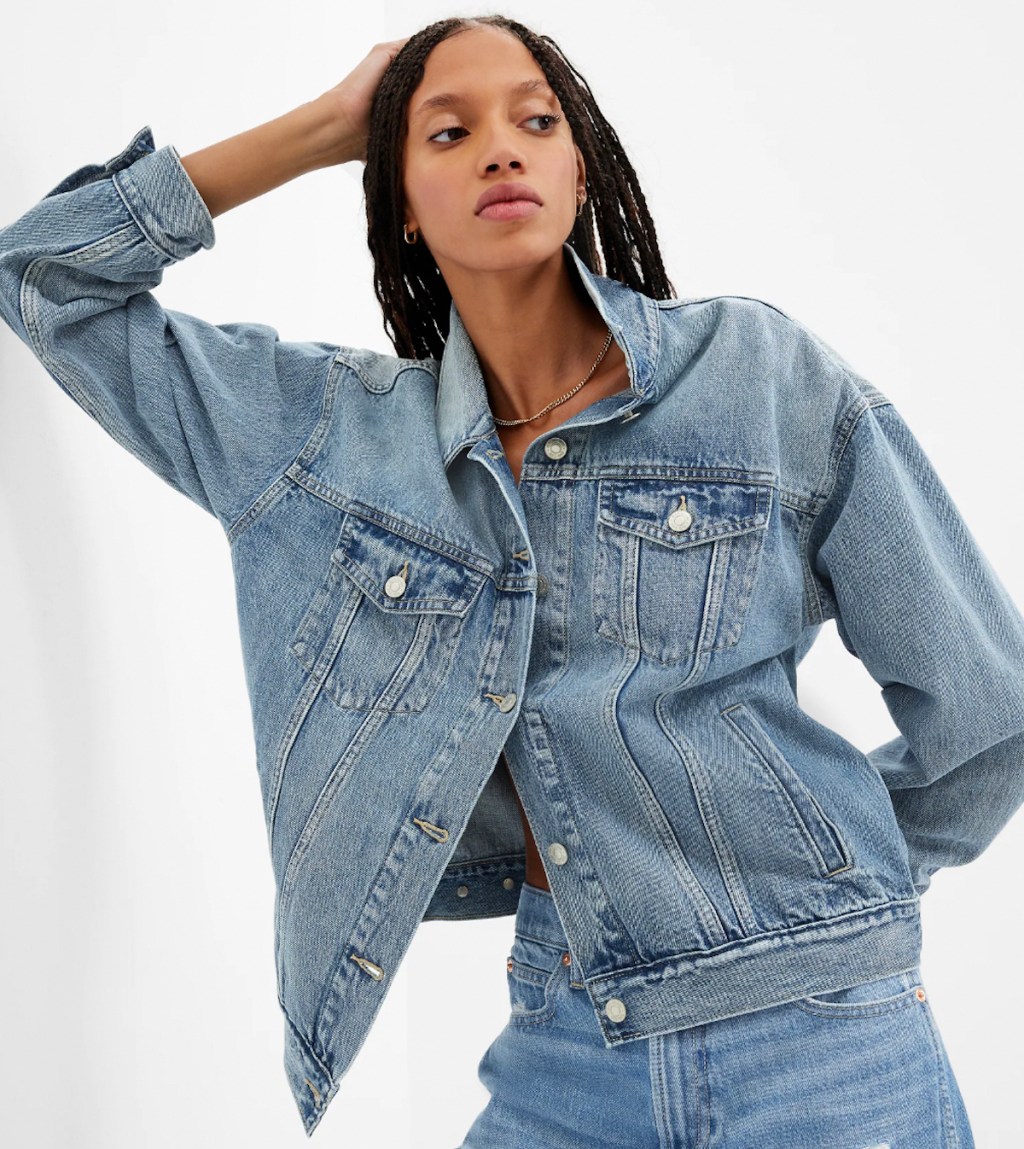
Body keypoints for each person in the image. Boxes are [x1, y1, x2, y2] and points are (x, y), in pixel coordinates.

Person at [1, 12, 1020, 1145]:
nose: (500, 147)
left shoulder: (757, 375)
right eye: (447, 133)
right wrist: (331, 126)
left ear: (581, 167)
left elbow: (990, 707)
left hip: (823, 1041)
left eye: (536, 120)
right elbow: (44, 278)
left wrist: (830, 898)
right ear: (397, 198)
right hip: (566, 1038)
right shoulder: (331, 441)